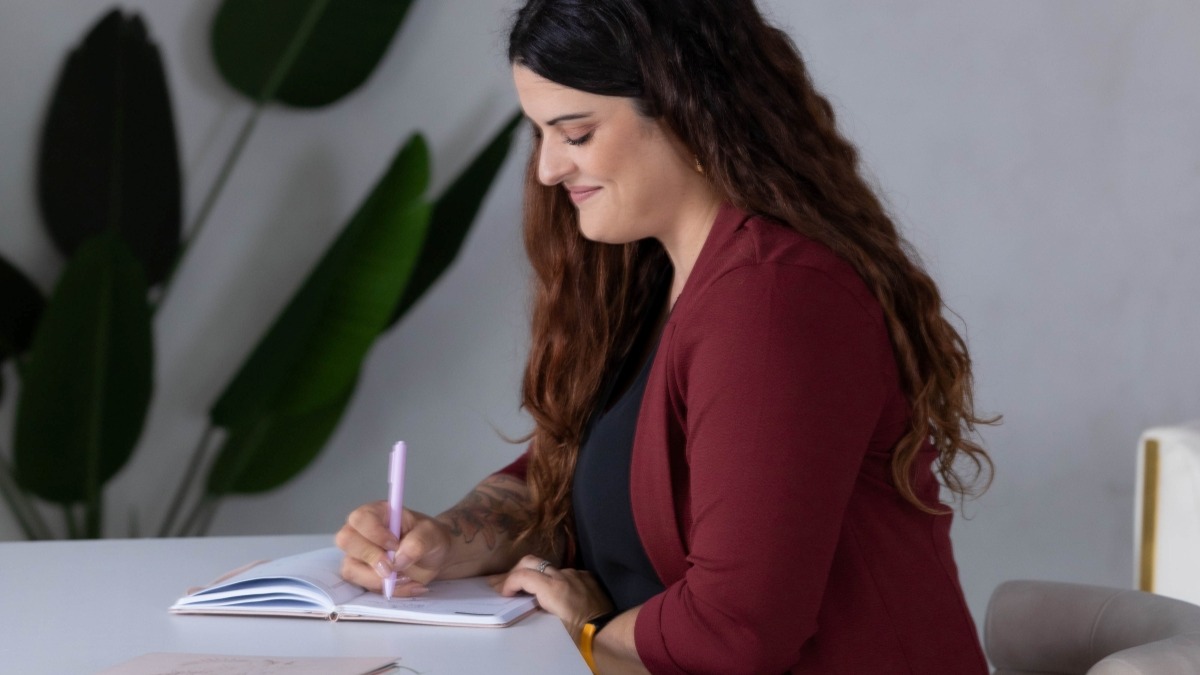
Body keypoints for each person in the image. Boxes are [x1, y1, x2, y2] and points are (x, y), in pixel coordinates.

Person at [336, 0, 996, 672]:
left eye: (576, 134)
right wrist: (444, 540)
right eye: (540, 135)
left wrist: (589, 632)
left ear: (688, 112)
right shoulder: (649, 276)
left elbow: (736, 629)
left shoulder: (770, 301)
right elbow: (562, 477)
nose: (548, 170)